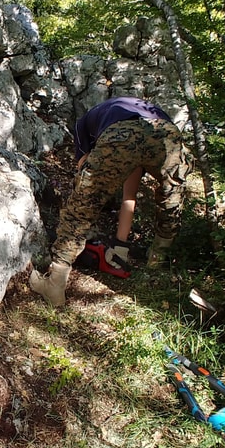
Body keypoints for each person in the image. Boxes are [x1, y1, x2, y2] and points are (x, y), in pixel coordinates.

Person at [30, 96, 188, 306]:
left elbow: (85, 173)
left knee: (81, 205)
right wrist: (119, 248)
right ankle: (157, 259)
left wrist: (93, 200)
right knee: (171, 198)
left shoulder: (83, 124)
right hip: (167, 134)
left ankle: (55, 284)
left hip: (122, 133)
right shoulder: (140, 110)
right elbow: (129, 195)